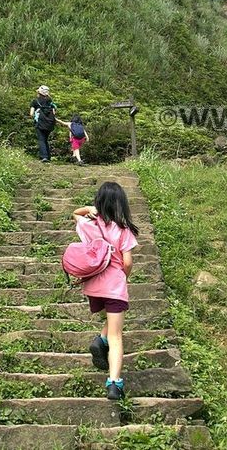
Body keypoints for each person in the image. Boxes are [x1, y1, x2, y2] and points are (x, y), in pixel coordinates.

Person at [71, 182, 139, 400]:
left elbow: (75, 213)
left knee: (111, 322)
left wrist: (89, 210)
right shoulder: (123, 229)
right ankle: (114, 382)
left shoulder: (89, 225)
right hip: (114, 286)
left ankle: (100, 340)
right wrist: (123, 276)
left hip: (93, 286)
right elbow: (127, 262)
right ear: (121, 204)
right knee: (116, 334)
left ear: (98, 202)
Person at [29, 85, 57, 162]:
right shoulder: (50, 101)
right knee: (45, 139)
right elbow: (54, 112)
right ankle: (48, 157)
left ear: (39, 92)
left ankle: (44, 157)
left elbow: (31, 113)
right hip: (50, 123)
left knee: (41, 139)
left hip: (40, 123)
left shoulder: (35, 101)